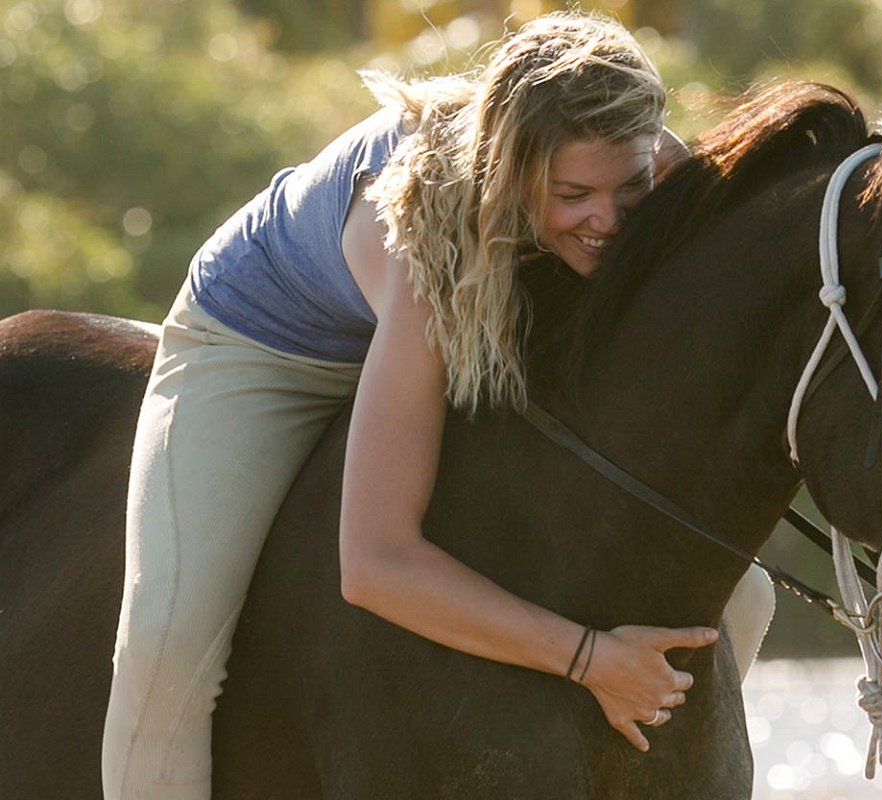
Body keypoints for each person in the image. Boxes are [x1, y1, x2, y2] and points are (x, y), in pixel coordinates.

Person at [102, 11, 775, 799]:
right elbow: (376, 564)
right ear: (510, 172)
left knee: (750, 594)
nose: (612, 220)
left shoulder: (655, 170)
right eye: (572, 194)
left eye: (629, 186)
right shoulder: (426, 247)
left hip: (453, 344)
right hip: (262, 343)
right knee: (167, 643)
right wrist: (588, 658)